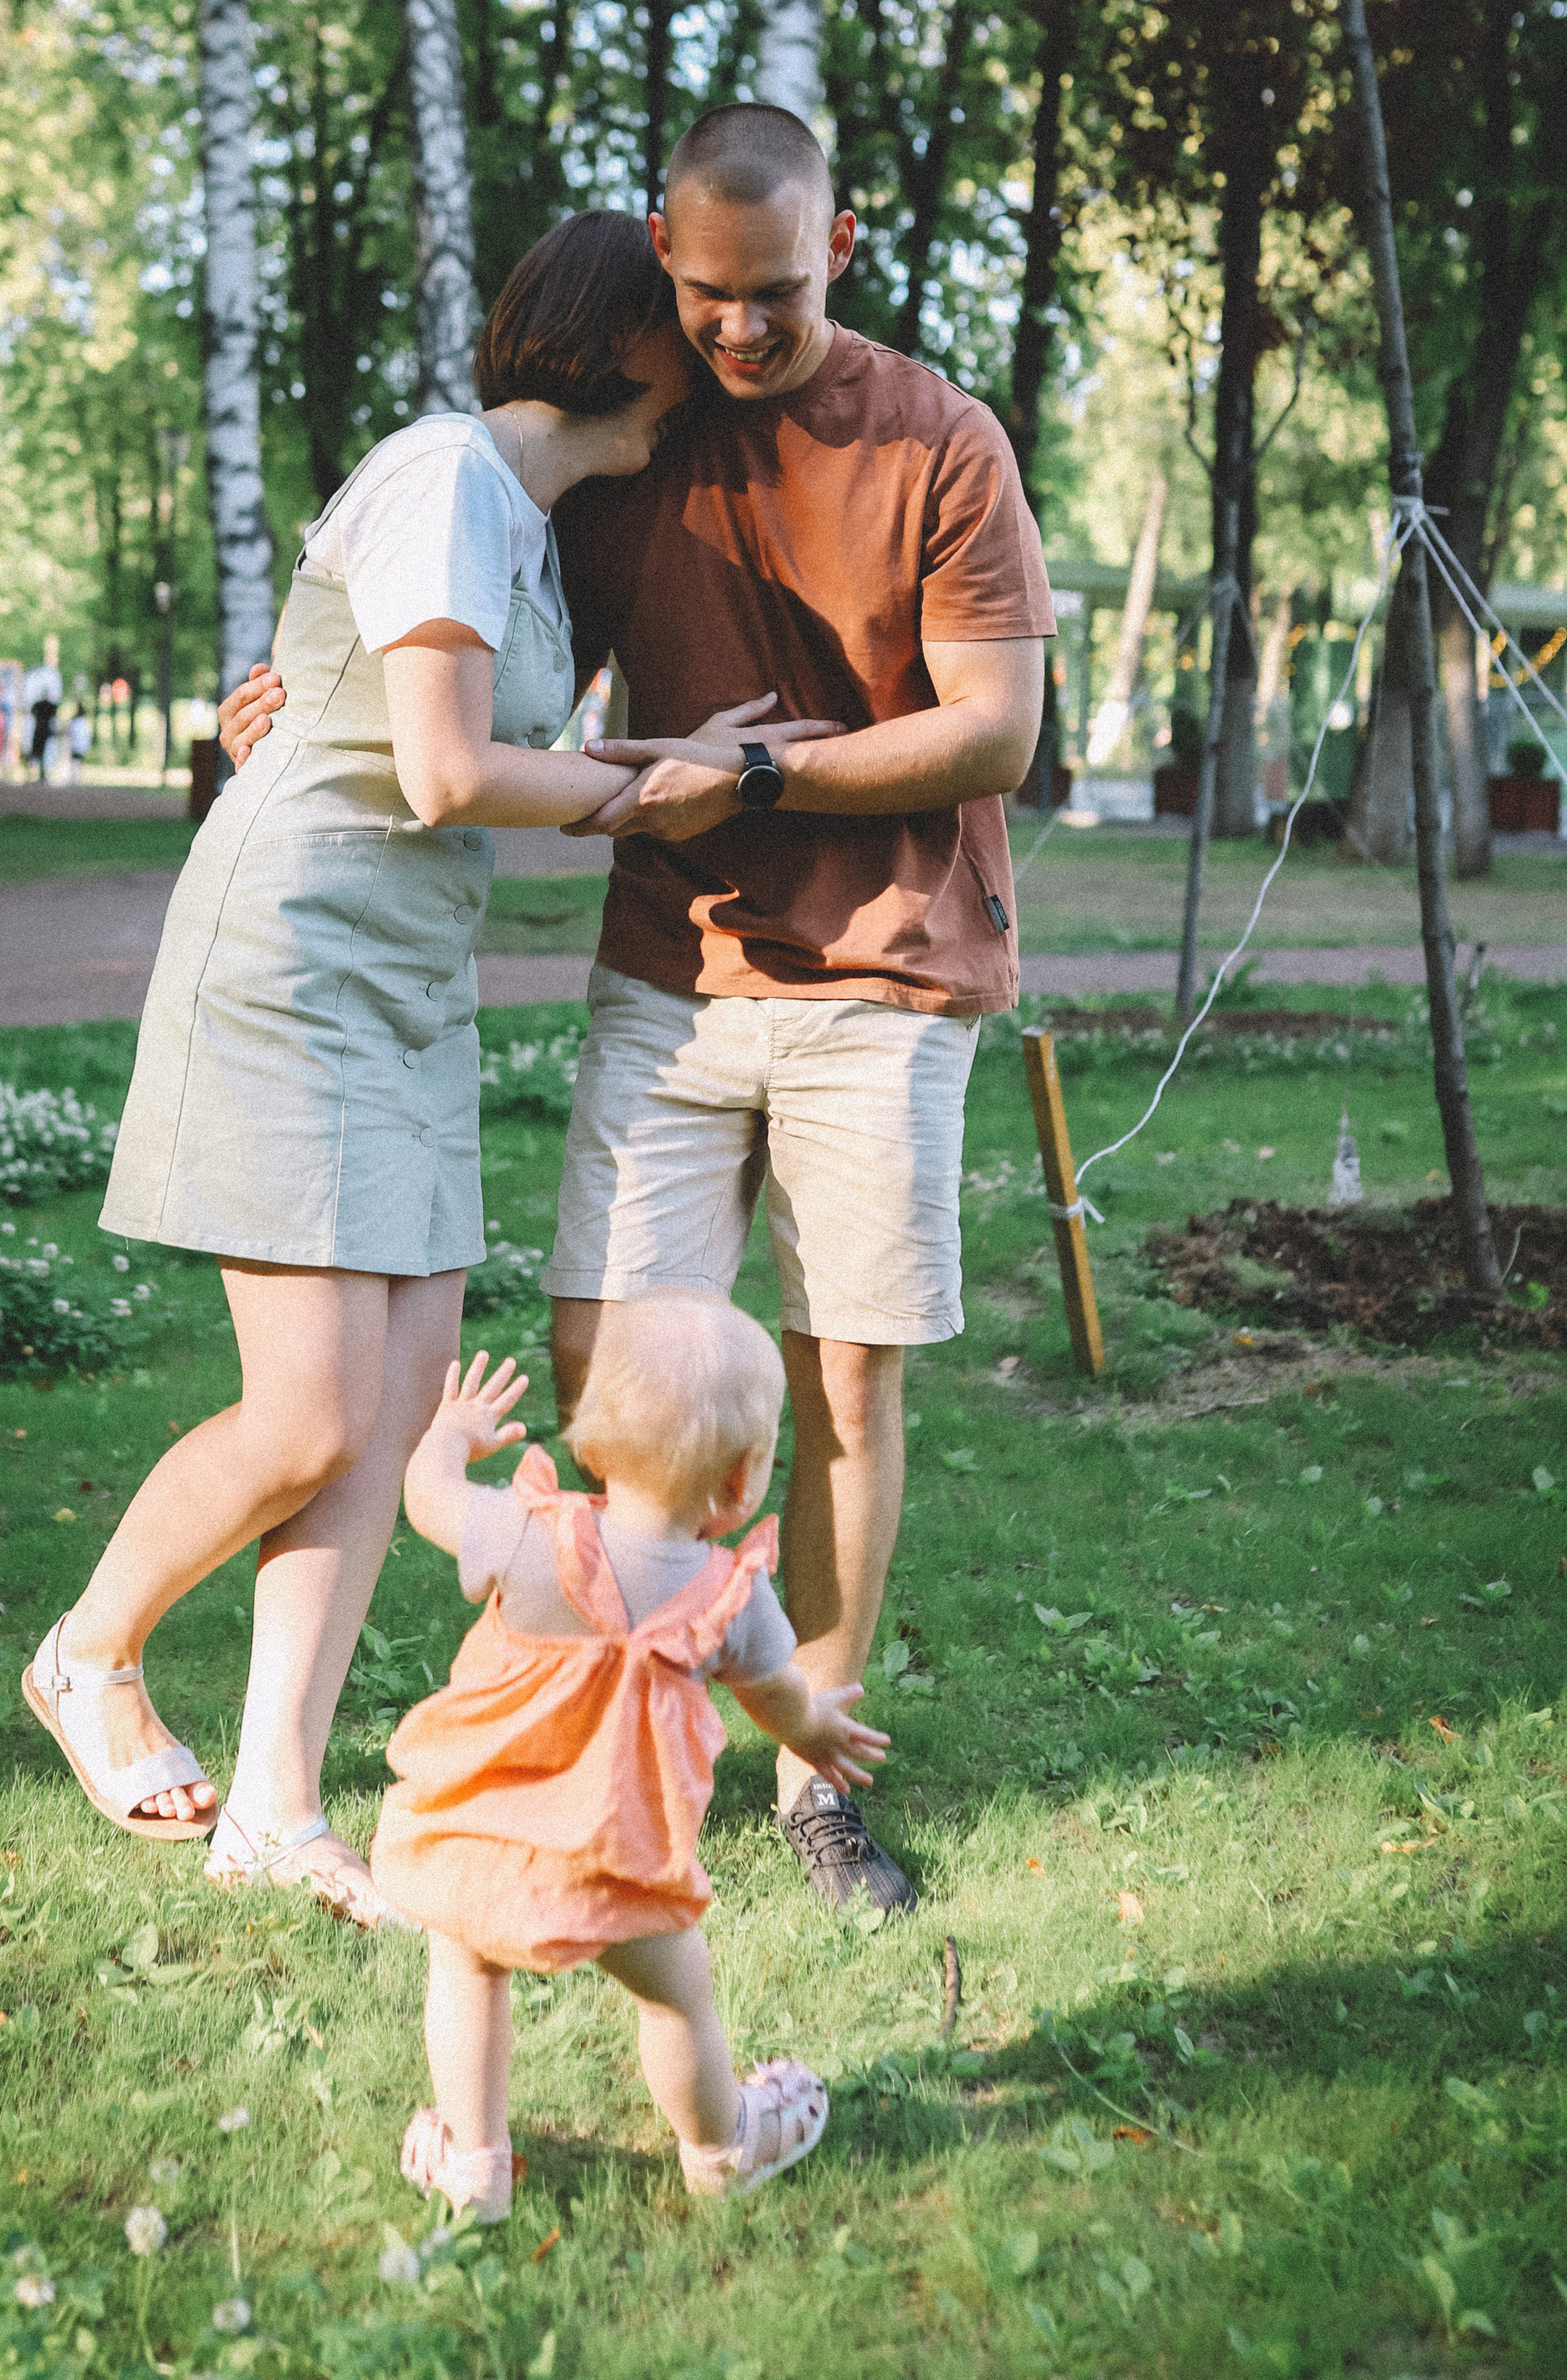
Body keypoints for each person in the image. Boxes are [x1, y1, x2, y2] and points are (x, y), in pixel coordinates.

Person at [221, 109, 1054, 1922]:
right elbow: (479, 625)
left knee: (842, 1380)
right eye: (707, 296)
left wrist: (752, 786)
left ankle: (812, 1766)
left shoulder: (937, 440)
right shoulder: (629, 454)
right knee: (603, 1375)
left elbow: (993, 731)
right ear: (661, 273)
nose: (741, 330)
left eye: (773, 292)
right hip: (666, 973)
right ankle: (619, 1700)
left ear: (835, 247)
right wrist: (311, 680)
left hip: (887, 970)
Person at [26, 214, 833, 1926]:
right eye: (694, 327)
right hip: (294, 967)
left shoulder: (528, 529)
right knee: (308, 1408)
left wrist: (694, 762)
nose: (722, 353)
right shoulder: (449, 481)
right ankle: (88, 1653)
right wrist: (654, 787)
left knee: (383, 1416)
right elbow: (454, 772)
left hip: (406, 984)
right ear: (628, 346)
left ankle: (273, 1804)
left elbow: (480, 749)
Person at [371, 1308, 880, 2220]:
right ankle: (720, 2147)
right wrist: (817, 1737)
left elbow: (427, 1500)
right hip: (619, 1859)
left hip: (483, 1833)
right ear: (742, 1479)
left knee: (467, 1965)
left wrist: (447, 1437)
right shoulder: (732, 1600)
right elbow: (779, 1697)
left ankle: (475, 2162)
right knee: (678, 1999)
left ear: (594, 1444)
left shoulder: (526, 1535)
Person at [24, 642, 62, 780]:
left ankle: (35, 773)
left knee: (38, 751)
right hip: (44, 730)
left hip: (40, 729)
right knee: (41, 751)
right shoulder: (49, 705)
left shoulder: (39, 705)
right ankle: (39, 773)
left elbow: (32, 712)